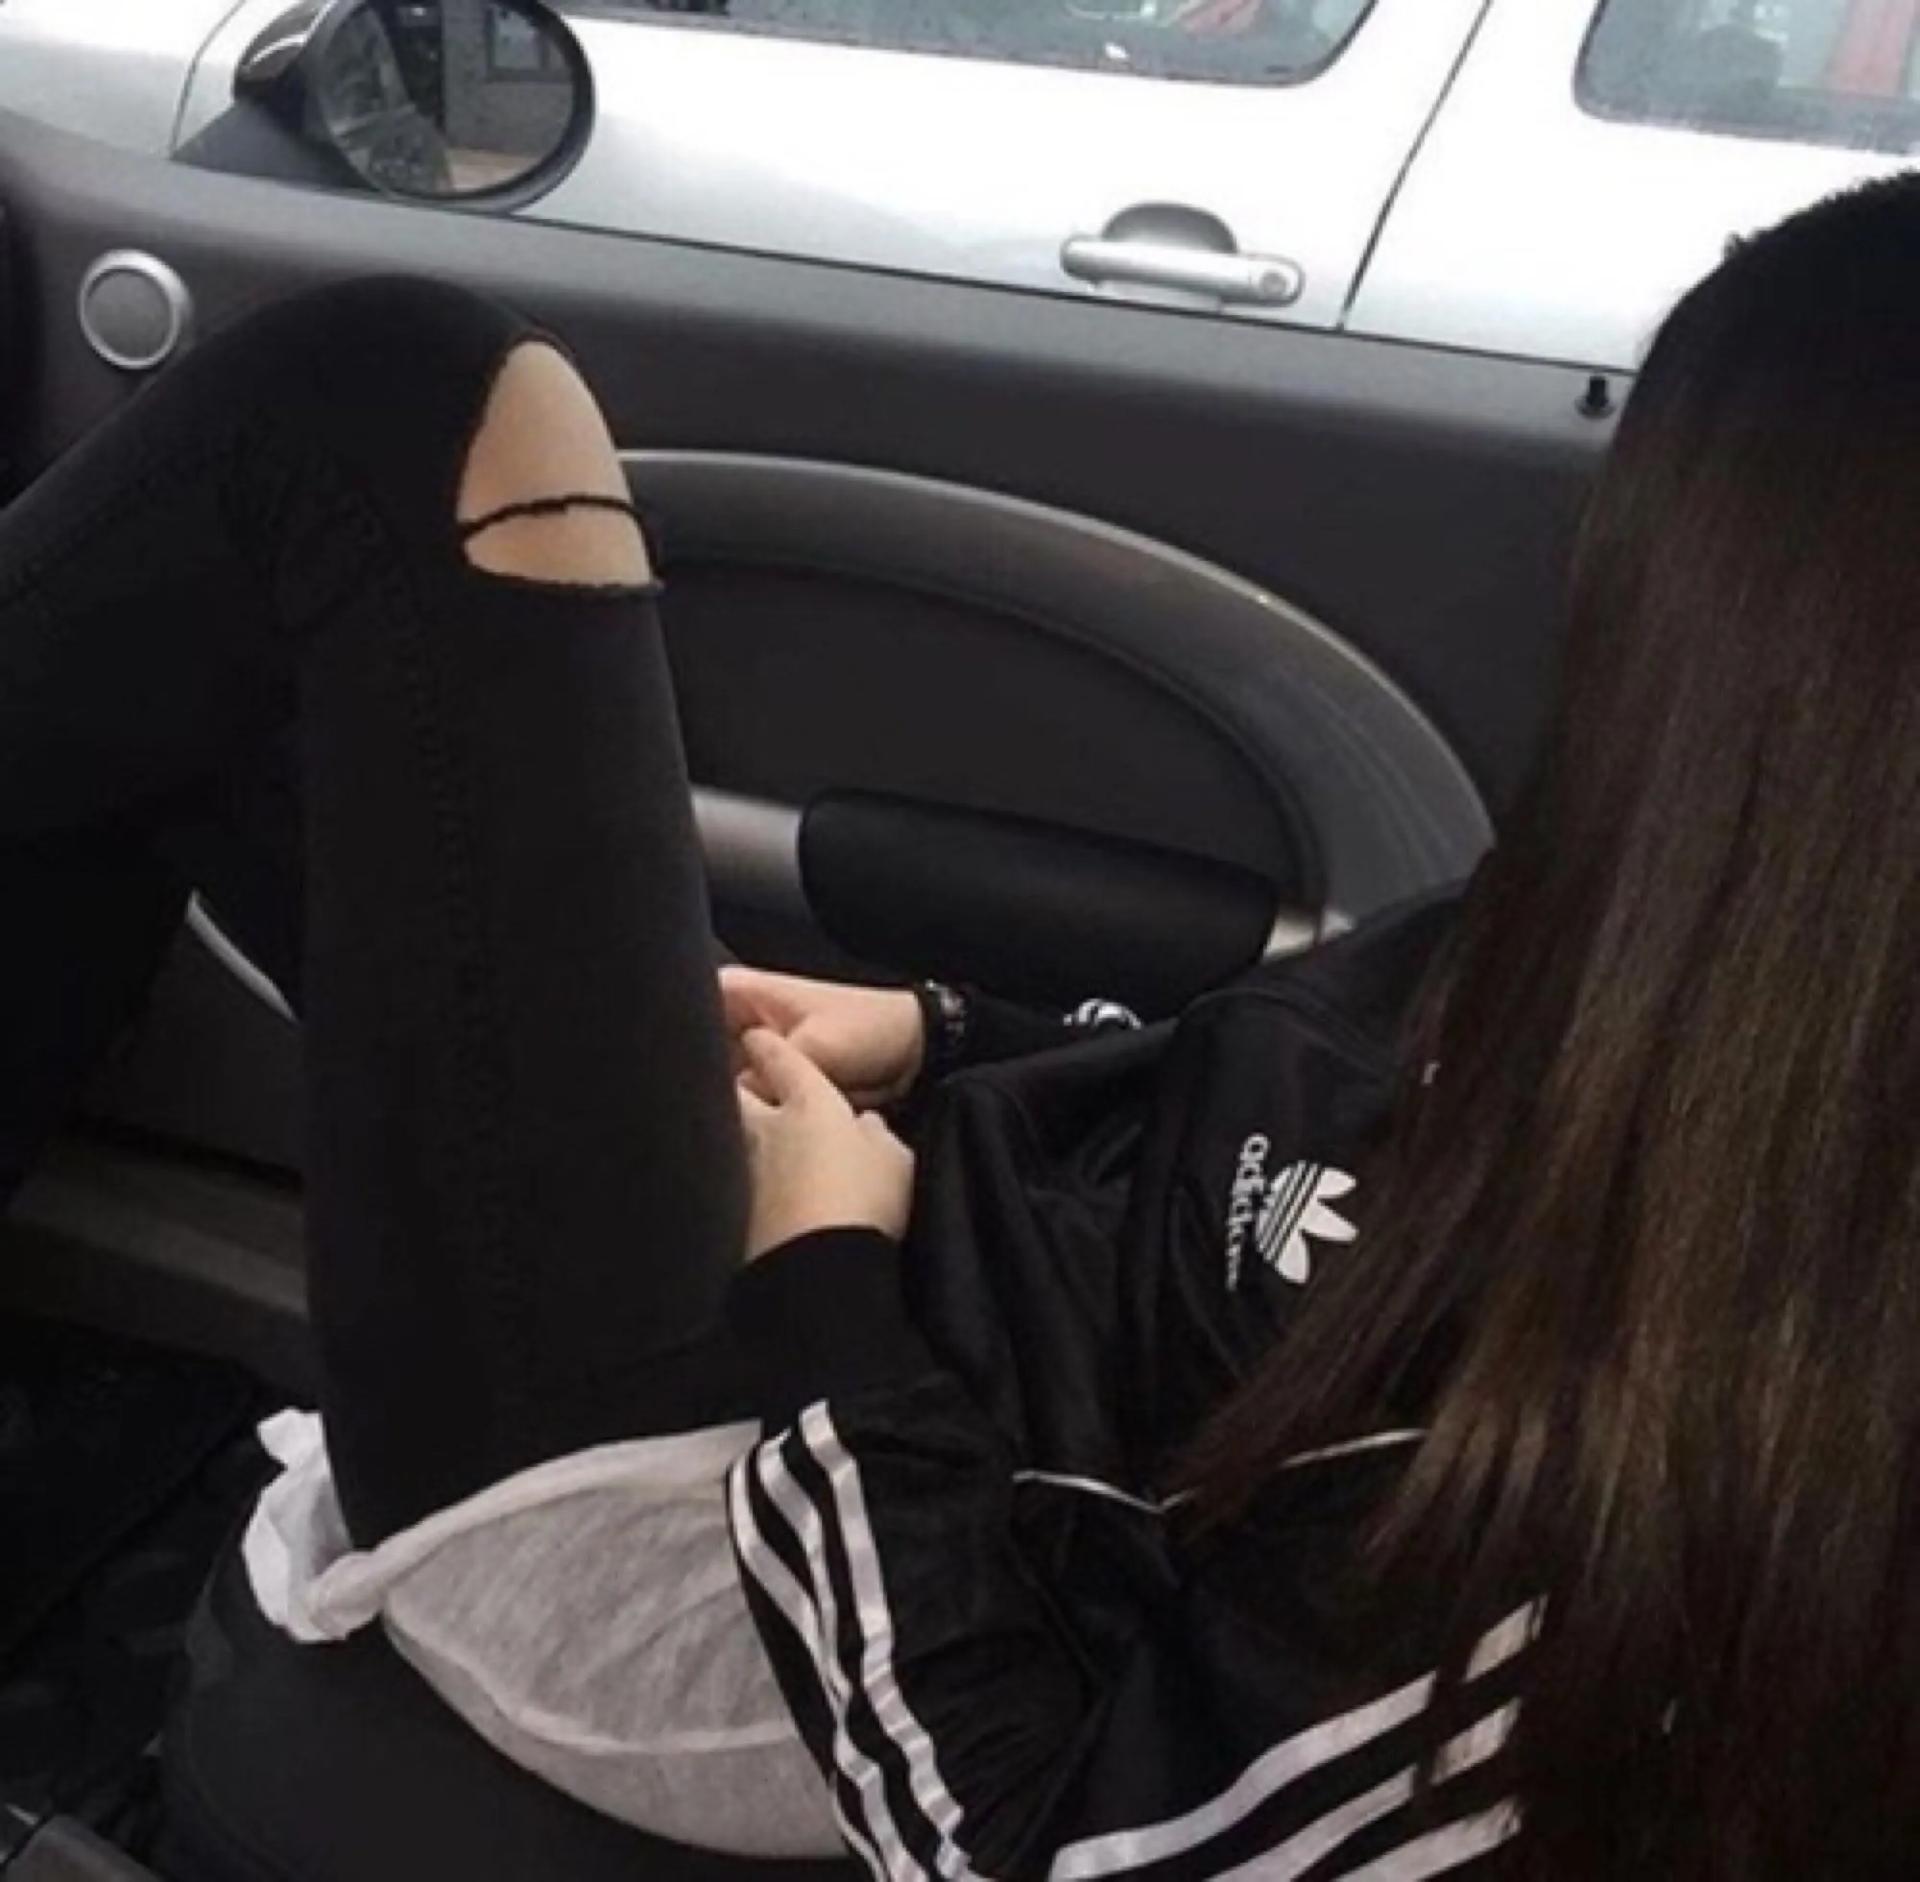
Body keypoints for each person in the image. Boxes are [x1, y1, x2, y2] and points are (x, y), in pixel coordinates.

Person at [5, 170, 1920, 1881]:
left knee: (373, 418)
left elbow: (1024, 1827)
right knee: (260, 620)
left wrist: (832, 1289)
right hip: (905, 1309)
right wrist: (948, 1036)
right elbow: (1255, 1111)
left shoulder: (1704, 1478)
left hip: (765, 1548)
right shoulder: (1674, 949)